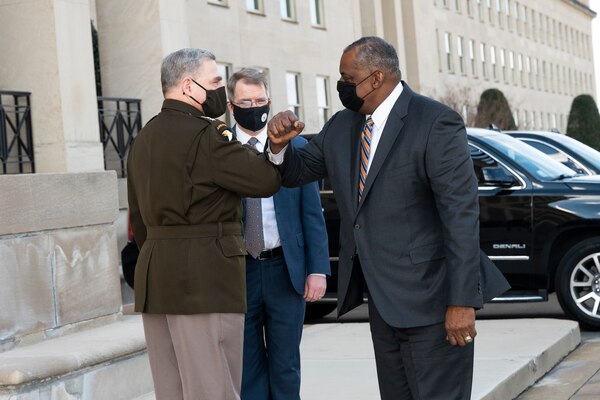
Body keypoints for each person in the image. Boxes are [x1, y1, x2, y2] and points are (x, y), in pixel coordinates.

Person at [266, 36, 509, 400]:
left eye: (347, 78)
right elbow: (297, 172)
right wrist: (279, 146)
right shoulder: (342, 125)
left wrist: (462, 302)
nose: (341, 86)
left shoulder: (435, 122)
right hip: (382, 303)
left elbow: (460, 216)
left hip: (435, 303)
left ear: (376, 78)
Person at [127, 48, 281, 400]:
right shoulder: (208, 136)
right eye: (214, 82)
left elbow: (138, 218)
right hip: (206, 279)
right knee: (214, 387)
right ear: (187, 85)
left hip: (157, 277)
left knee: (172, 389)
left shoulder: (143, 138)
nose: (220, 92)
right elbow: (265, 179)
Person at [226, 68, 330, 400]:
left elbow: (312, 214)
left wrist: (317, 269)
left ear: (269, 102)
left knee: (286, 364)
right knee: (247, 365)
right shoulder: (220, 149)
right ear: (231, 106)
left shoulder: (296, 146)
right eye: (245, 101)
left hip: (286, 270)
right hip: (239, 273)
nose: (253, 106)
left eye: (259, 100)